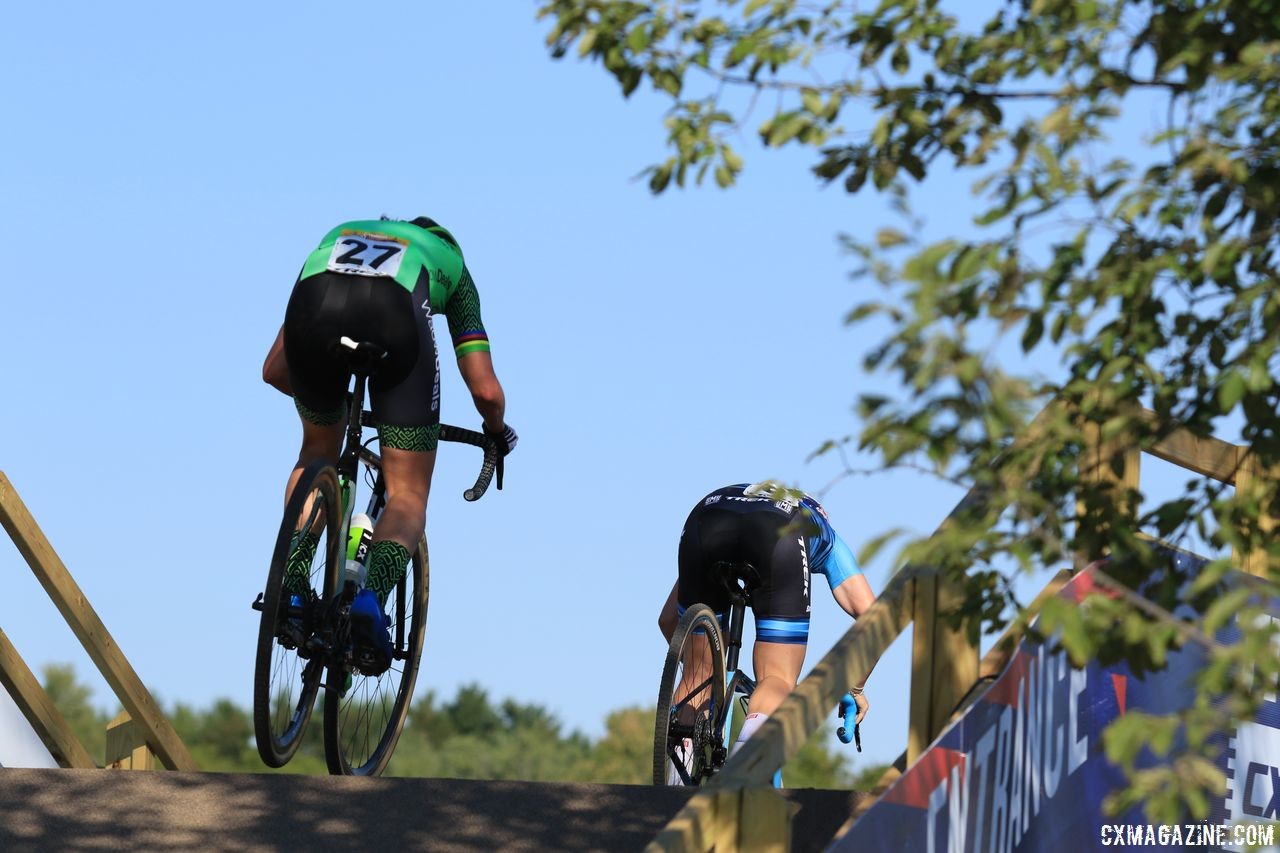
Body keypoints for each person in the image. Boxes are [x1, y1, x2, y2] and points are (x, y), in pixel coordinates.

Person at [263, 215, 516, 673]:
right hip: (394, 316)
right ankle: (371, 601)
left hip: (314, 306)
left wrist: (336, 408)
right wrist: (497, 430)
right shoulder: (452, 264)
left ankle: (293, 584)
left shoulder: (338, 235)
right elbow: (485, 391)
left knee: (316, 452)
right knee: (407, 493)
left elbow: (275, 371)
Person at [658, 481, 875, 780]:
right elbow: (872, 616)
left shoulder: (739, 498)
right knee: (776, 677)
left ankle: (674, 784)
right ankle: (744, 768)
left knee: (700, 672)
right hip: (778, 531)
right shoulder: (820, 528)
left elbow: (668, 621)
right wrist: (856, 687)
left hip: (706, 518)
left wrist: (705, 671)